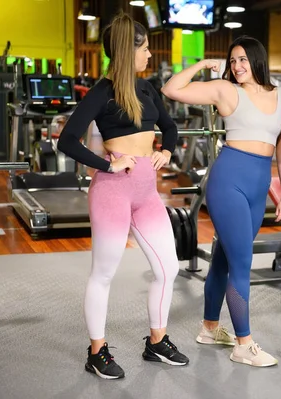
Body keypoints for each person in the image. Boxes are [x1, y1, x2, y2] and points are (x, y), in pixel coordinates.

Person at [57, 13, 189, 379]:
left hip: (147, 192)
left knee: (169, 268)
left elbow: (171, 125)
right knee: (103, 274)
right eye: (145, 48)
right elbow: (68, 140)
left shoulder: (147, 89)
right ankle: (96, 351)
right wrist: (106, 164)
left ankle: (156, 341)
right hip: (113, 192)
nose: (150, 54)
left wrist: (167, 149)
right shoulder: (102, 92)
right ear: (126, 50)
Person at [161, 36, 281, 367]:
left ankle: (209, 328)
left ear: (257, 60)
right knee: (242, 264)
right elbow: (171, 89)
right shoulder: (224, 90)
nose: (237, 66)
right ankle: (243, 343)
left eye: (243, 59)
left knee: (224, 258)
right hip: (228, 181)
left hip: (259, 183)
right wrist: (201, 66)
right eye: (233, 60)